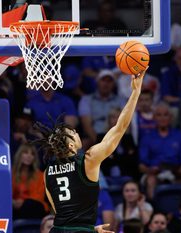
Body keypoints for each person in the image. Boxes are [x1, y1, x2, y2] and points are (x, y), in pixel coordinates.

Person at [36, 67, 148, 232]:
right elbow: (119, 128)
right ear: (70, 145)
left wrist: (90, 229)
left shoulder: (48, 172)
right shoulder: (88, 160)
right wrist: (136, 92)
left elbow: (60, 213)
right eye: (73, 133)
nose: (77, 133)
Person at [12, 144, 49, 219]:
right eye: (25, 152)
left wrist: (23, 202)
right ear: (20, 155)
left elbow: (38, 197)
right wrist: (13, 202)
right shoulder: (11, 173)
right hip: (15, 207)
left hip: (35, 207)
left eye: (32, 154)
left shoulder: (40, 175)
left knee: (29, 204)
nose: (29, 156)